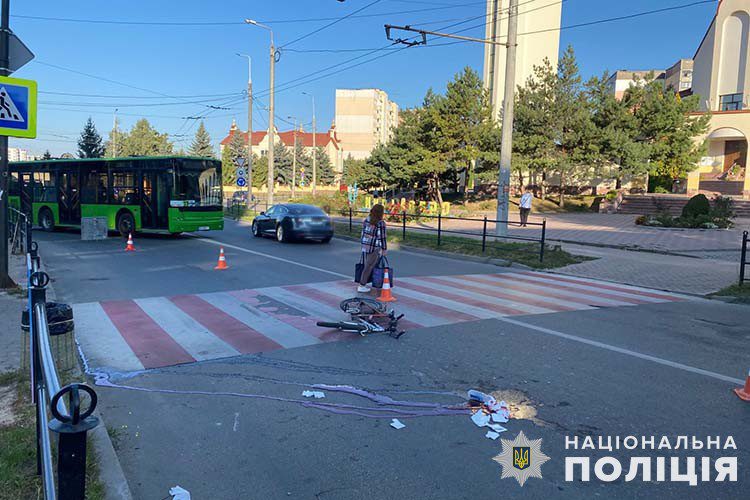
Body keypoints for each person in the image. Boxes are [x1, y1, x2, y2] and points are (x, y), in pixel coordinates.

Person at [358, 203, 387, 293]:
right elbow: (382, 237)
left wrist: (363, 243)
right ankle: (362, 285)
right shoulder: (380, 223)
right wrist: (384, 248)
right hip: (374, 247)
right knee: (369, 266)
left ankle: (366, 282)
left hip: (366, 245)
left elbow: (363, 232)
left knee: (369, 264)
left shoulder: (367, 219)